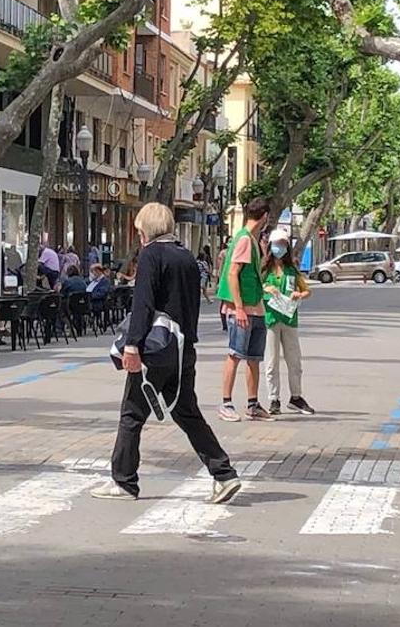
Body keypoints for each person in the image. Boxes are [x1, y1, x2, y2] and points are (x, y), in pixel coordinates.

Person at [92, 202, 241, 504]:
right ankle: (223, 473)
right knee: (186, 411)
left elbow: (143, 304)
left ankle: (124, 482)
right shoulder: (186, 256)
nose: (138, 237)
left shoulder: (151, 255)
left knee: (132, 413)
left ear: (146, 229)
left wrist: (132, 345)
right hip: (184, 348)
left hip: (156, 348)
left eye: (138, 231)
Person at [215, 197, 273, 422]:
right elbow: (232, 273)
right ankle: (226, 403)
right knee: (235, 354)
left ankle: (253, 403)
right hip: (242, 310)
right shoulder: (244, 240)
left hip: (256, 308)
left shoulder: (253, 240)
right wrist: (238, 308)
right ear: (264, 217)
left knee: (253, 357)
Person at [262, 228, 314, 415]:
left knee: (294, 360)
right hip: (270, 320)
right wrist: (266, 290)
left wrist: (299, 294)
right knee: (271, 362)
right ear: (270, 246)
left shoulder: (292, 269)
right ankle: (273, 399)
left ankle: (296, 397)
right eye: (277, 244)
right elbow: (254, 290)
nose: (280, 247)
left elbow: (307, 291)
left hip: (289, 318)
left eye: (283, 244)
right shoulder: (263, 269)